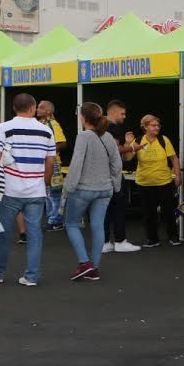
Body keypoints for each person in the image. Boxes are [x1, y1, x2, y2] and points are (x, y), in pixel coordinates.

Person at [0, 93, 54, 287]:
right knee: (34, 233)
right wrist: (44, 183)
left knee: (3, 232)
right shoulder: (46, 130)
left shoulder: (4, 128)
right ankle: (31, 277)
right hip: (36, 190)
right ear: (33, 107)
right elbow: (50, 160)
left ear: (14, 108)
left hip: (11, 191)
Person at [61, 102, 122, 281]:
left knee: (71, 224)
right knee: (97, 225)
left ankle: (84, 263)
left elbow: (76, 164)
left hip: (83, 189)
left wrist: (68, 188)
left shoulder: (84, 136)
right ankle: (94, 267)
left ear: (83, 117)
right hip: (105, 189)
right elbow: (117, 164)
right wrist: (115, 185)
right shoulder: (108, 137)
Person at [132, 114, 183, 248]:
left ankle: (173, 237)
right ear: (145, 127)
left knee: (168, 211)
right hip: (144, 183)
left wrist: (178, 175)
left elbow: (174, 159)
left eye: (158, 125)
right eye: (153, 125)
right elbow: (126, 157)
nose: (157, 128)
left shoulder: (163, 140)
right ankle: (152, 239)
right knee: (149, 213)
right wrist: (128, 142)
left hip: (163, 182)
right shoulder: (138, 140)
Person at [101, 100, 141, 255]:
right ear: (114, 112)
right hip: (113, 175)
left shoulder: (99, 126)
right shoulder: (112, 127)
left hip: (102, 174)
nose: (124, 117)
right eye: (122, 113)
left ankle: (104, 242)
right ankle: (120, 241)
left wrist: (127, 144)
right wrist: (131, 146)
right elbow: (114, 150)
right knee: (118, 208)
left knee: (104, 209)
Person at [37, 100, 67, 231]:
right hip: (42, 163)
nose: (37, 109)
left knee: (54, 193)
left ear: (48, 111)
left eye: (40, 107)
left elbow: (63, 143)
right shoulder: (39, 124)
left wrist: (47, 150)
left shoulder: (53, 124)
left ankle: (56, 221)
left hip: (53, 163)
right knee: (46, 192)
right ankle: (51, 219)